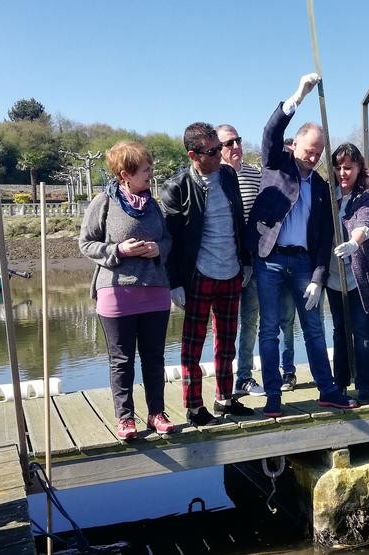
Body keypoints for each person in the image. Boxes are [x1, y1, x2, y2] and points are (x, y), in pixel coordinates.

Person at [246, 73, 358, 417]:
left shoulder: (323, 187)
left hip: (304, 264)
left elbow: (326, 238)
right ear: (295, 145)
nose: (314, 157)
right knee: (269, 329)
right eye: (310, 151)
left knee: (313, 328)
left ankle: (328, 391)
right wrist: (298, 95)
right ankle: (273, 398)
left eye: (319, 152)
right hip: (270, 259)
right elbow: (270, 133)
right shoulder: (277, 163)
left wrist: (318, 277)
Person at [160, 122, 253, 427]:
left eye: (221, 147)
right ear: (193, 154)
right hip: (199, 275)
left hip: (231, 272)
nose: (221, 154)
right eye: (213, 151)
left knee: (227, 341)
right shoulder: (177, 187)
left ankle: (225, 399)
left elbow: (239, 221)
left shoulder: (227, 175)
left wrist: (246, 261)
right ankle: (194, 406)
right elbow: (170, 242)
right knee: (192, 345)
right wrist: (175, 284)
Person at [79, 141, 174, 440]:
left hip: (156, 291)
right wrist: (118, 249)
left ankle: (156, 413)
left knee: (154, 357)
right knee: (122, 360)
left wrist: (159, 248)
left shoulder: (153, 204)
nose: (151, 175)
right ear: (125, 174)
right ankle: (125, 418)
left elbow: (169, 240)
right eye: (146, 170)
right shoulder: (103, 202)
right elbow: (86, 243)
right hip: (116, 293)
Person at [216, 124, 298, 394]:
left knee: (252, 320)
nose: (236, 146)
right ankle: (222, 383)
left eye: (238, 140)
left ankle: (243, 377)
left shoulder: (255, 174)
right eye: (229, 143)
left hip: (253, 261)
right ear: (217, 148)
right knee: (223, 327)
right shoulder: (213, 178)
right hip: (220, 263)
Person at [327, 143, 369, 405]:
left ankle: (365, 388)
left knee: (363, 332)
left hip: (360, 277)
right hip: (333, 276)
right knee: (340, 331)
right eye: (339, 167)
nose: (343, 172)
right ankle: (339, 384)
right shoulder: (328, 196)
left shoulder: (366, 197)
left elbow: (365, 222)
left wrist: (355, 241)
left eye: (348, 168)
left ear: (359, 168)